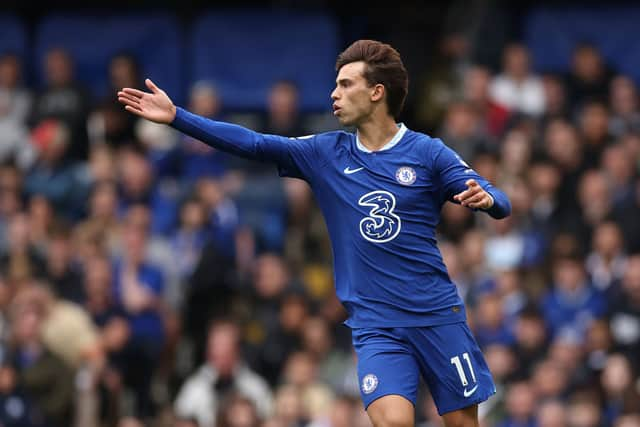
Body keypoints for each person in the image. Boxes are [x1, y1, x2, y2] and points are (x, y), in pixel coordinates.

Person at [118, 39, 511, 427]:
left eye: (345, 84)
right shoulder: (326, 153)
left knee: (462, 423)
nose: (333, 94)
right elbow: (255, 143)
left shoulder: (428, 153)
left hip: (436, 315)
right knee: (393, 422)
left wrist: (487, 200)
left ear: (377, 92)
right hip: (377, 325)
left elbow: (500, 199)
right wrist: (178, 118)